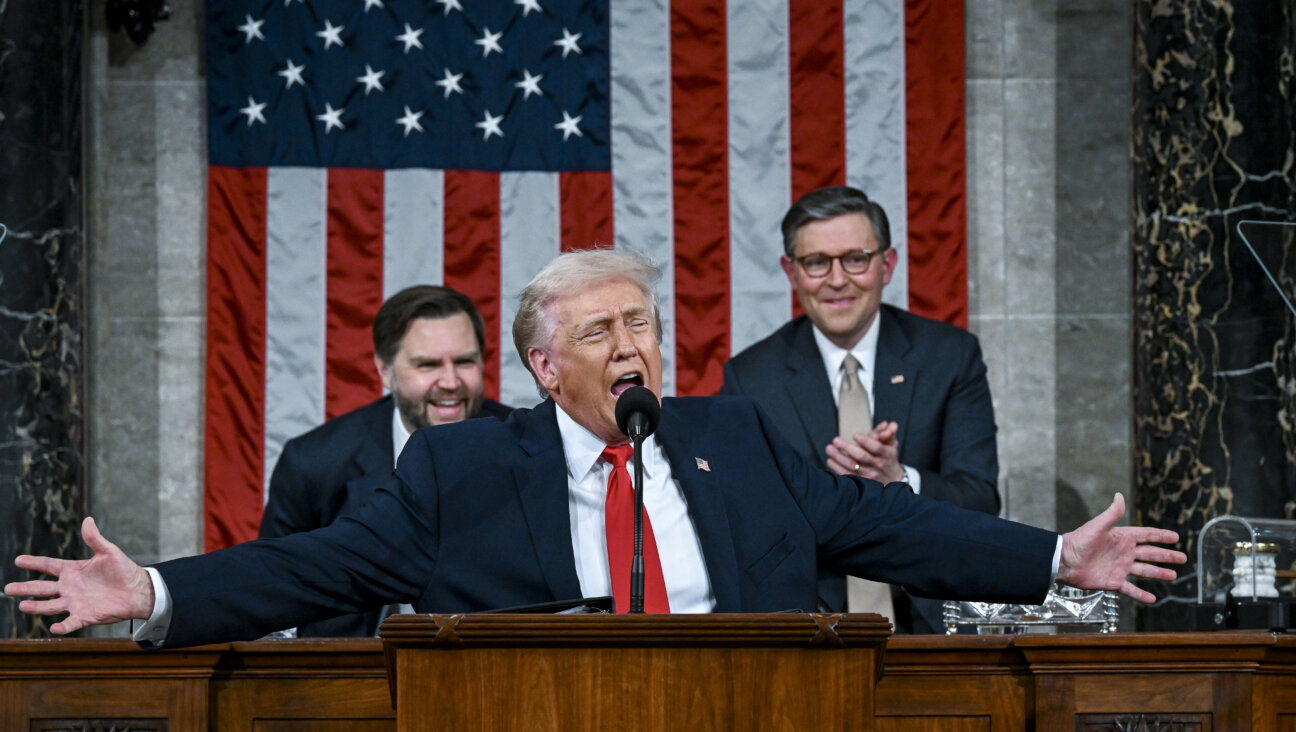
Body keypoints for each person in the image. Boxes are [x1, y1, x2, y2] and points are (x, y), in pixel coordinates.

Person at [6, 249, 1184, 649]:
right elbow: (311, 568)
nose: (634, 345)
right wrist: (155, 589)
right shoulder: (463, 468)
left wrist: (1048, 561)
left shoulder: (739, 435)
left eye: (645, 323)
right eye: (602, 329)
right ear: (543, 366)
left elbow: (891, 528)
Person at [721, 186, 996, 632]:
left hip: (933, 623)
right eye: (816, 262)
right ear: (790, 271)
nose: (836, 280)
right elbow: (741, 524)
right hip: (809, 627)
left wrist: (899, 481)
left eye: (855, 258)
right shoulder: (750, 378)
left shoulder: (949, 357)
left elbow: (981, 500)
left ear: (887, 264)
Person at [259, 285, 513, 637]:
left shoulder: (528, 447)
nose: (451, 382)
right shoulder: (313, 462)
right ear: (384, 370)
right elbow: (273, 590)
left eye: (465, 361)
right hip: (351, 673)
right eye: (428, 365)